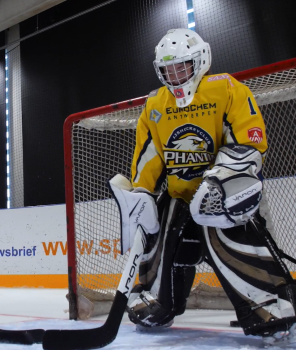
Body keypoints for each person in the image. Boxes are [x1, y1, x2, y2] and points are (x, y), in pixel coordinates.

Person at [108, 29, 296, 345]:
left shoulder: (226, 89)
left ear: (200, 61)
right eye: (168, 69)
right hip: (181, 194)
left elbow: (250, 141)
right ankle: (159, 300)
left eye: (182, 66)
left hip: (227, 190)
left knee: (229, 230)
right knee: (160, 231)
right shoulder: (155, 104)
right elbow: (149, 157)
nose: (176, 75)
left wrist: (220, 178)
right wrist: (141, 192)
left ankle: (268, 303)